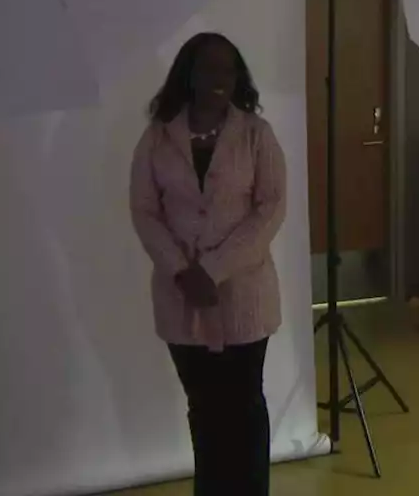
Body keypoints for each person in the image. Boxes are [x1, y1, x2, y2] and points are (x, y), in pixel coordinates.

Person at [130, 32, 286, 496]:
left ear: (238, 78)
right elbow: (144, 210)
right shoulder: (158, 135)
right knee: (203, 408)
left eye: (227, 68)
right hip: (182, 300)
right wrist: (181, 269)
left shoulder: (257, 134)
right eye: (207, 67)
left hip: (244, 296)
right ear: (188, 74)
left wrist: (213, 268)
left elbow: (271, 208)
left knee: (244, 408)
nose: (218, 77)